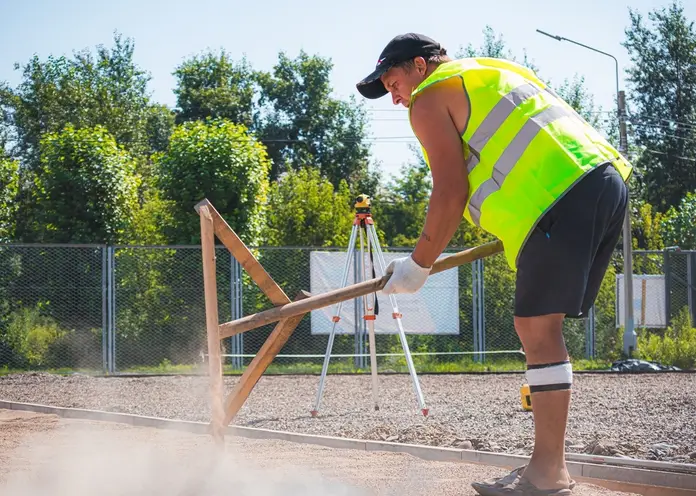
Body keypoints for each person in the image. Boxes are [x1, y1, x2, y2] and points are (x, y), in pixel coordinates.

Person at [356, 33, 632, 495]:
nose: (394, 95)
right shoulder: (489, 71)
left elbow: (449, 192)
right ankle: (546, 467)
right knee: (542, 328)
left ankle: (548, 474)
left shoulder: (428, 100)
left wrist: (418, 265)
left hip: (557, 197)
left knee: (537, 330)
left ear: (421, 66)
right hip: (602, 181)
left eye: (394, 80)